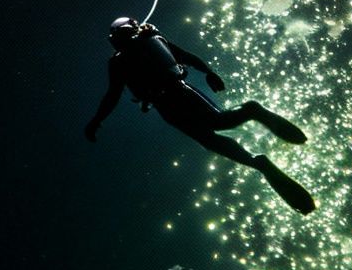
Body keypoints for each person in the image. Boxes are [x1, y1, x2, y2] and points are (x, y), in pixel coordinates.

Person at [85, 17, 316, 214]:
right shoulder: (151, 41)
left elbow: (113, 95)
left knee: (216, 126)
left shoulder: (125, 57)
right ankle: (259, 162)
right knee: (210, 138)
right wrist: (208, 72)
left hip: (173, 100)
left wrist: (97, 120)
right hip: (172, 99)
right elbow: (186, 57)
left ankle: (252, 116)